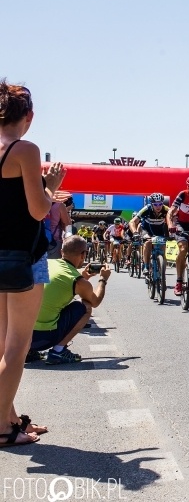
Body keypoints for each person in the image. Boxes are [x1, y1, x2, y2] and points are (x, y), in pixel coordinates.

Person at [0, 80, 65, 446]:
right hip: (23, 257)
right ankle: (3, 428)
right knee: (18, 347)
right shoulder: (25, 150)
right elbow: (39, 209)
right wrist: (51, 186)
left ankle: (10, 417)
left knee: (2, 344)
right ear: (29, 116)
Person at [29, 236, 111, 364]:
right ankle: (58, 351)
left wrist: (82, 277)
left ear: (62, 252)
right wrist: (103, 280)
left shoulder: (46, 263)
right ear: (83, 255)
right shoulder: (76, 280)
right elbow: (95, 302)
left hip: (20, 337)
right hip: (43, 339)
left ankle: (28, 352)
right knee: (86, 306)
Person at [129, 193, 169, 276]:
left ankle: (161, 273)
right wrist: (135, 233)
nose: (158, 206)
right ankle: (146, 266)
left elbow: (175, 219)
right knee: (148, 242)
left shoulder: (166, 209)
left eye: (160, 204)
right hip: (146, 230)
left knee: (162, 249)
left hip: (159, 231)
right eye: (156, 204)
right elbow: (132, 222)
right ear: (151, 204)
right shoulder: (146, 209)